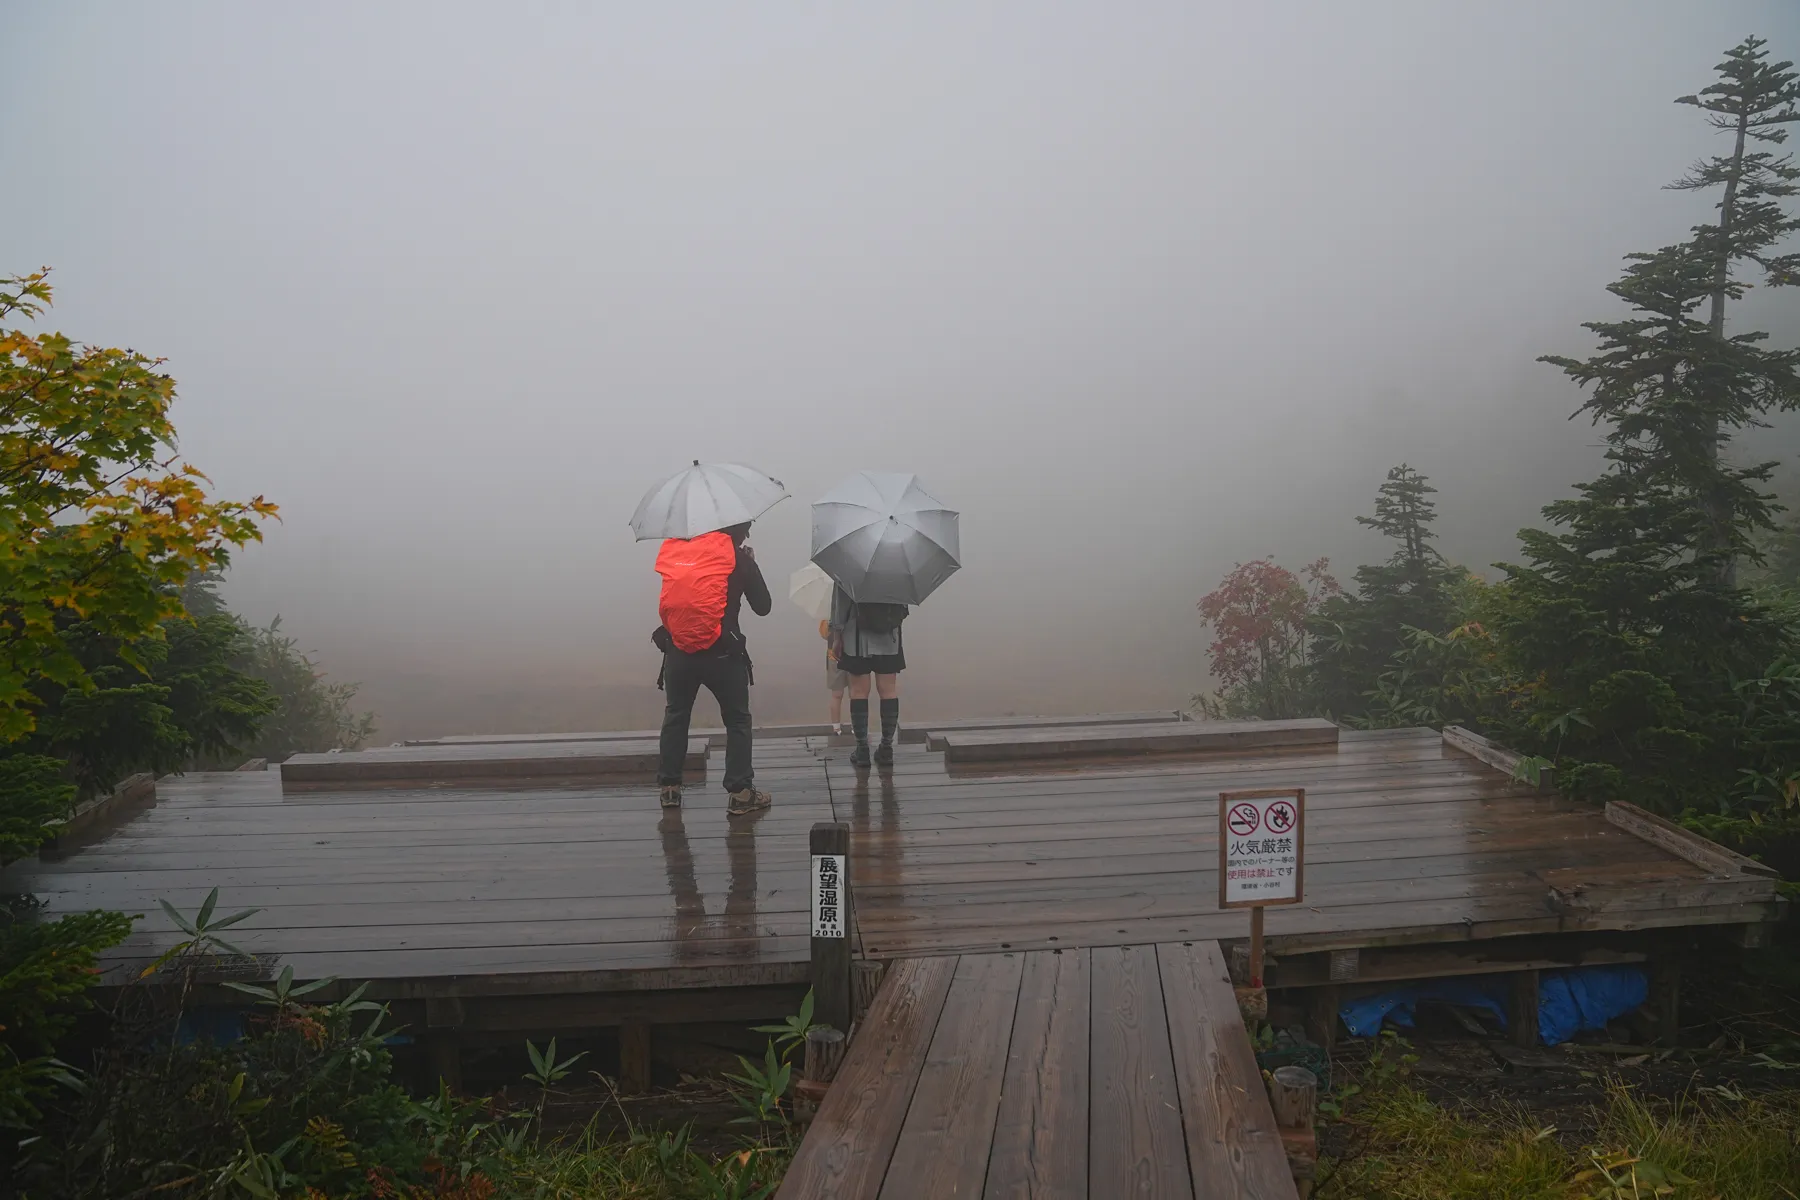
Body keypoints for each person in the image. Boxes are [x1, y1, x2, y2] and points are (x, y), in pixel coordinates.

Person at [653, 521, 772, 814]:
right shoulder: (739, 558)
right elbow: (763, 606)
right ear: (739, 531)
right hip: (723, 654)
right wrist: (749, 566)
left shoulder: (683, 556)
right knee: (737, 720)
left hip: (679, 651)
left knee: (677, 715)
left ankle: (670, 789)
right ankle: (741, 793)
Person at [827, 584, 906, 767]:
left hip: (856, 637)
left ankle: (862, 750)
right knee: (888, 691)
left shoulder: (847, 563)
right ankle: (886, 749)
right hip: (889, 636)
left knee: (858, 692)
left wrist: (837, 636)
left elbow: (840, 604)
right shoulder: (897, 567)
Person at [821, 618, 848, 733]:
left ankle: (836, 728)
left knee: (836, 694)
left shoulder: (830, 612)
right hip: (856, 653)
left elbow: (824, 634)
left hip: (834, 655)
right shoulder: (858, 607)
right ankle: (858, 726)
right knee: (857, 693)